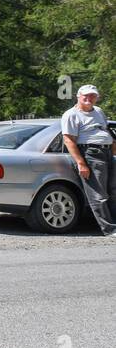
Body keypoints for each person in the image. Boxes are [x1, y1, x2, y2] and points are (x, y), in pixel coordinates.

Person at [61, 84, 116, 237]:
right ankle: (110, 229)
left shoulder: (99, 111)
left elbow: (105, 132)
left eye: (92, 95)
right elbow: (69, 140)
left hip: (107, 154)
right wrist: (81, 163)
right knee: (98, 195)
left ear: (97, 97)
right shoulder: (71, 115)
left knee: (113, 191)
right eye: (86, 95)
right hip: (90, 154)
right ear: (78, 96)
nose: (89, 98)